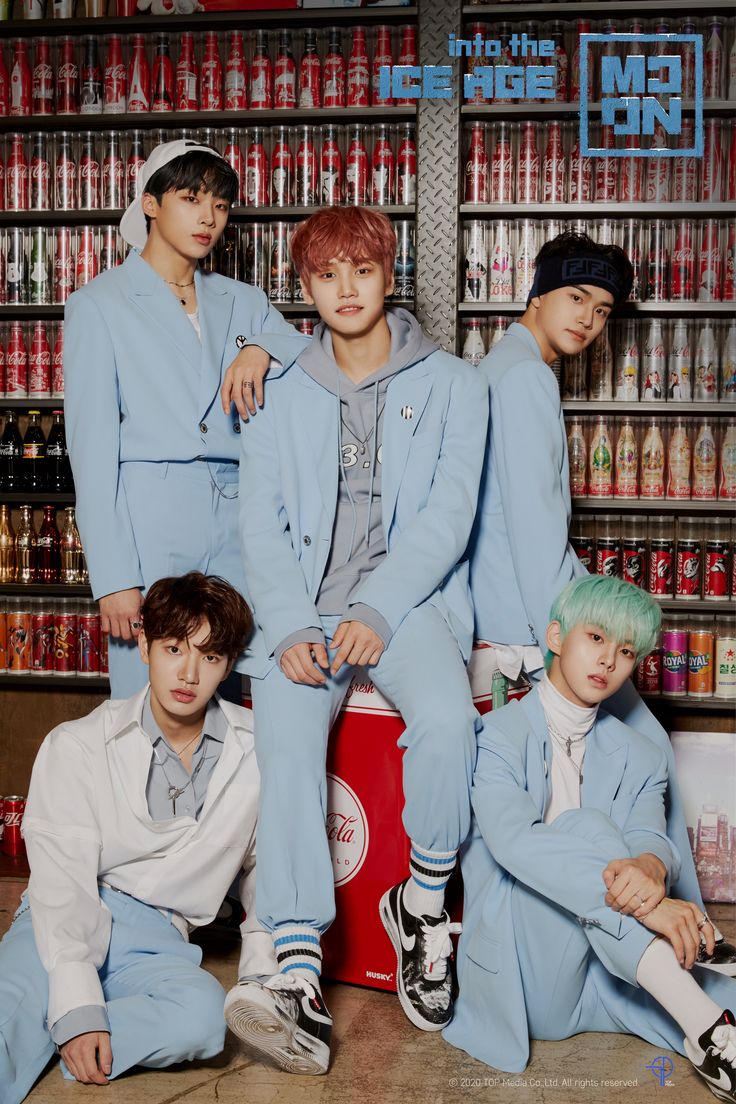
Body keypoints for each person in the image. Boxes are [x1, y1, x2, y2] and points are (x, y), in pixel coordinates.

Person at [223, 206, 488, 1074]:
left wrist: (376, 612)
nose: (345, 289)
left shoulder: (456, 383)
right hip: (304, 608)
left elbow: (449, 516)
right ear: (306, 289)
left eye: (361, 271)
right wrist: (295, 623)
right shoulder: (277, 388)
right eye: (326, 275)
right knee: (289, 741)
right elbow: (260, 523)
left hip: (406, 608)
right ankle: (298, 966)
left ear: (387, 276)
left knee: (448, 723)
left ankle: (421, 904)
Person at [467, 230, 736, 971]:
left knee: (621, 764)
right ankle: (687, 931)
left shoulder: (504, 367)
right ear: (538, 292)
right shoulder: (523, 380)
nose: (589, 318)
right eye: (576, 297)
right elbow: (531, 532)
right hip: (532, 623)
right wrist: (585, 633)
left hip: (523, 615)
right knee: (648, 750)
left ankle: (667, 923)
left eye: (605, 308)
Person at [445, 576, 736, 1101]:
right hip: (527, 978)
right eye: (596, 638)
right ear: (556, 637)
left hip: (607, 976)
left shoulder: (642, 756)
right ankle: (709, 1030)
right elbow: (515, 843)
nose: (607, 661)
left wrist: (651, 864)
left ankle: (711, 1032)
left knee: (723, 984)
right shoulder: (496, 738)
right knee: (588, 828)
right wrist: (651, 908)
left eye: (624, 651)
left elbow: (648, 832)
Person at [0, 572, 276, 1104]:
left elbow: (267, 868)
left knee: (202, 1022)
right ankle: (57, 1020)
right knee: (6, 1018)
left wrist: (260, 975)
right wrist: (76, 999)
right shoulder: (76, 745)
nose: (189, 673)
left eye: (211, 656)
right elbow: (63, 885)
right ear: (145, 645)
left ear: (230, 664)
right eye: (174, 648)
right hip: (68, 912)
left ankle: (65, 1035)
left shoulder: (259, 750)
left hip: (159, 937)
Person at [64, 139, 309, 699]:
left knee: (233, 684)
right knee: (145, 695)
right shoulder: (99, 304)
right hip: (150, 517)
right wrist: (115, 576)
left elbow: (309, 354)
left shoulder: (243, 300)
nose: (208, 217)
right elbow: (92, 453)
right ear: (150, 203)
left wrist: (263, 349)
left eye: (220, 205)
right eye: (191, 197)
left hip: (241, 515)